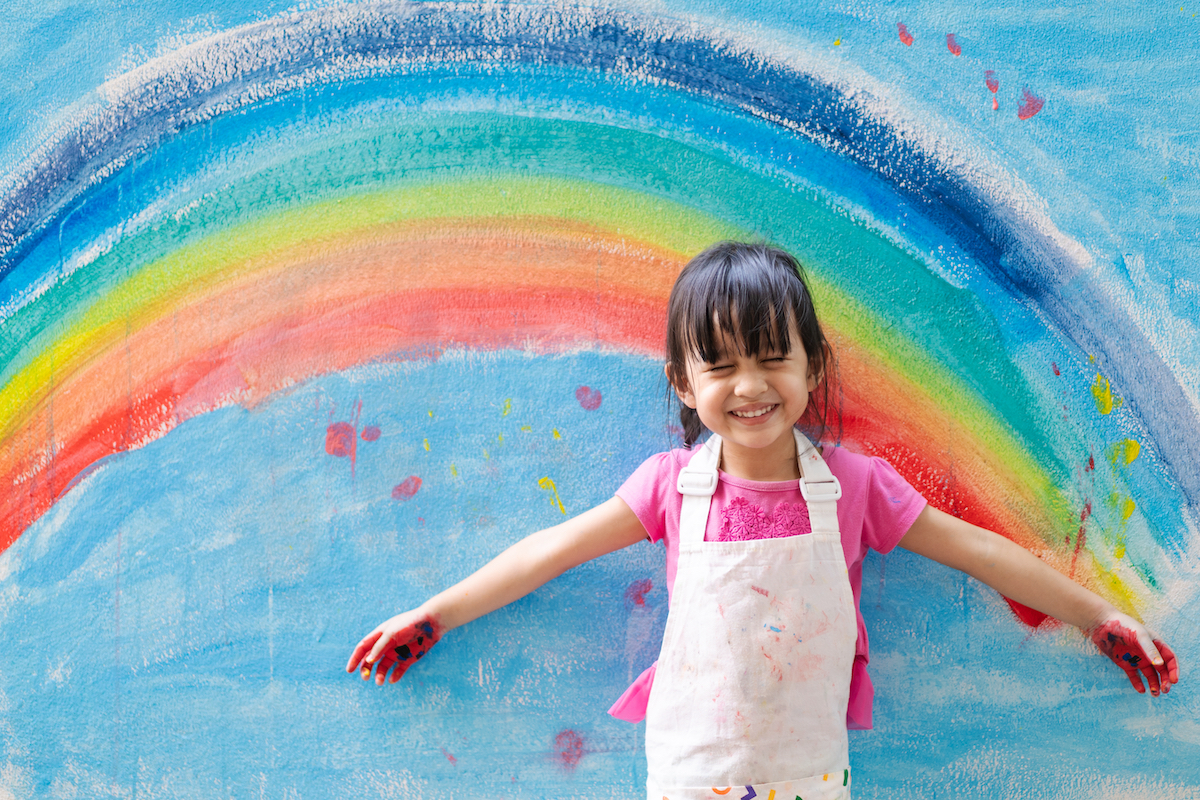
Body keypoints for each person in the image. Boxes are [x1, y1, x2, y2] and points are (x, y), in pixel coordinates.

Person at [346, 242, 1179, 799]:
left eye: (774, 357)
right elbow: (547, 554)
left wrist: (1099, 617)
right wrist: (434, 615)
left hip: (811, 775)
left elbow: (981, 554)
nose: (751, 385)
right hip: (689, 774)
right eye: (722, 364)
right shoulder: (670, 486)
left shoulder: (856, 487)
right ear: (684, 382)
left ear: (812, 366)